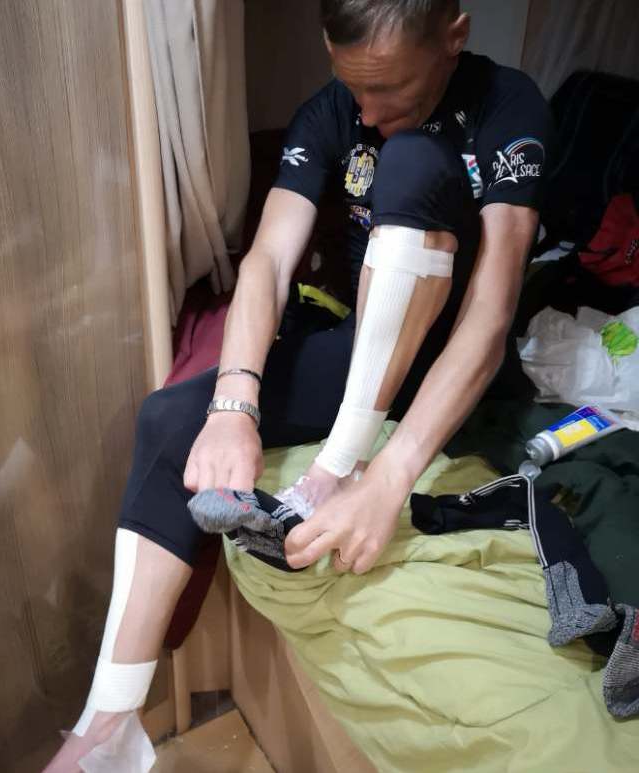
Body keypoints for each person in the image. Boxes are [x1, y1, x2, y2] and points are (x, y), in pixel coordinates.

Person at [44, 1, 553, 770]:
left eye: (392, 89)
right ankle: (107, 725)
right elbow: (268, 261)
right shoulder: (331, 112)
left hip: (454, 366)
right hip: (370, 352)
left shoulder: (508, 106)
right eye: (354, 87)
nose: (367, 113)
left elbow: (491, 313)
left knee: (414, 160)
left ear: (455, 35)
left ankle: (334, 469)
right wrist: (233, 402)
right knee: (169, 419)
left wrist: (388, 476)